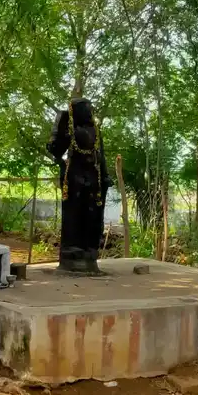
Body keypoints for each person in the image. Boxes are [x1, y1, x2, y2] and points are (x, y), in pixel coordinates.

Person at [47, 97, 111, 273]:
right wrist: (62, 123)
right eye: (87, 109)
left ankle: (89, 247)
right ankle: (72, 248)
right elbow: (55, 149)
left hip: (93, 175)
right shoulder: (70, 128)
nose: (91, 112)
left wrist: (105, 175)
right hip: (74, 175)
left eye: (91, 109)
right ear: (78, 112)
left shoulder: (95, 130)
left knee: (91, 211)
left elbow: (101, 154)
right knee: (74, 211)